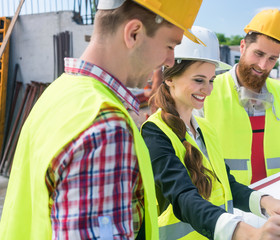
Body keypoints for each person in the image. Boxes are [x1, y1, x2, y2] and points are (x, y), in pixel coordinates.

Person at [0, 0, 204, 239]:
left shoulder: (58, 93)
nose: (171, 61)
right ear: (134, 33)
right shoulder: (105, 125)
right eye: (170, 45)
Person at [141, 26, 280, 240]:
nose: (208, 89)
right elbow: (184, 199)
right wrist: (249, 235)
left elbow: (227, 184)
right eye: (199, 80)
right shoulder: (154, 133)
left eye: (211, 80)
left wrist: (266, 202)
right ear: (170, 77)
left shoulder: (205, 129)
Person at [203, 9, 280, 186]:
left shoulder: (279, 90)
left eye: (272, 59)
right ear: (243, 46)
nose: (263, 65)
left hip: (272, 199)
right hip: (227, 202)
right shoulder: (209, 89)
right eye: (258, 54)